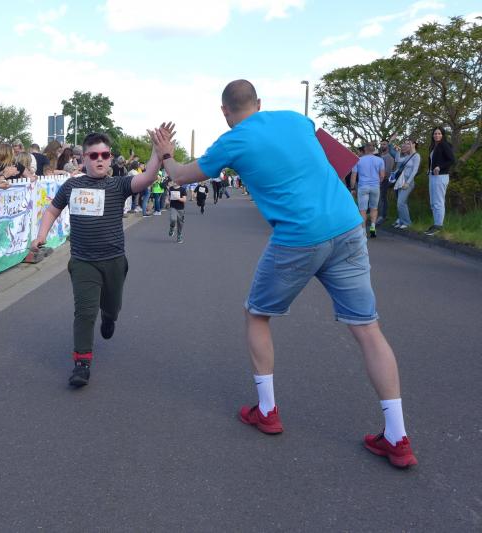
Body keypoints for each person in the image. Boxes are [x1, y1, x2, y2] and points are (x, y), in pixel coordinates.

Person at [152, 79, 417, 468]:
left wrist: (165, 152)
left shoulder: (231, 141)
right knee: (367, 328)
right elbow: (326, 155)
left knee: (257, 314)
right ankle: (397, 436)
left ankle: (267, 410)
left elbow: (178, 175)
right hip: (347, 225)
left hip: (298, 236)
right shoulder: (297, 119)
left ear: (224, 111)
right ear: (259, 102)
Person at [30, 131, 162, 388]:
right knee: (85, 311)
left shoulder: (119, 185)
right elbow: (52, 210)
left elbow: (148, 177)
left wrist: (157, 153)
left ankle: (109, 317)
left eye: (104, 154)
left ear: (110, 158)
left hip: (114, 260)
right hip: (83, 261)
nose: (99, 159)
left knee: (112, 306)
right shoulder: (72, 187)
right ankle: (82, 363)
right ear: (84, 159)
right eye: (93, 155)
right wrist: (41, 236)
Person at [425, 126, 455, 236]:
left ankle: (439, 226)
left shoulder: (444, 145)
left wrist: (439, 167)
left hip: (441, 176)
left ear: (442, 135)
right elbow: (433, 160)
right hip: (432, 176)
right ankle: (436, 224)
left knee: (438, 202)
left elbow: (451, 160)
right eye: (435, 133)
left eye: (439, 133)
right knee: (433, 202)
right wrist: (429, 169)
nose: (437, 135)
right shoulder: (433, 146)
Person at [350, 142, 384, 238]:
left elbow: (353, 176)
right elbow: (382, 175)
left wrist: (352, 188)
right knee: (374, 208)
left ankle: (363, 231)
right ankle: (373, 227)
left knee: (362, 210)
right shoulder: (380, 160)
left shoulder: (358, 160)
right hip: (375, 186)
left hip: (363, 186)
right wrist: (378, 182)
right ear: (373, 149)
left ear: (364, 149)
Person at [391, 140, 420, 230]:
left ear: (414, 145)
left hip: (408, 183)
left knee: (400, 203)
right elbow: (397, 160)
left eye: (408, 143)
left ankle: (407, 222)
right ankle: (401, 221)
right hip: (401, 181)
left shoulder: (416, 156)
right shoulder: (407, 156)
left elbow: (415, 170)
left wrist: (408, 182)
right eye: (405, 143)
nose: (406, 145)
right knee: (401, 203)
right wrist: (398, 151)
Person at [376, 139, 397, 224]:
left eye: (384, 144)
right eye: (381, 144)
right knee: (380, 198)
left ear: (388, 145)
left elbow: (388, 170)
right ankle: (381, 215)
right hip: (380, 179)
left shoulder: (389, 156)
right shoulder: (381, 155)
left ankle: (383, 216)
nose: (382, 146)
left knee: (382, 198)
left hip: (385, 180)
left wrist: (382, 179)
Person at [166, 179, 186, 243]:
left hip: (180, 208)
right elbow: (169, 197)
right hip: (173, 207)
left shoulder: (182, 189)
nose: (174, 182)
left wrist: (178, 198)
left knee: (180, 223)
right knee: (173, 219)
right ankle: (172, 228)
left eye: (176, 181)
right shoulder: (171, 188)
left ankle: (179, 236)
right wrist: (167, 200)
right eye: (173, 181)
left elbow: (184, 200)